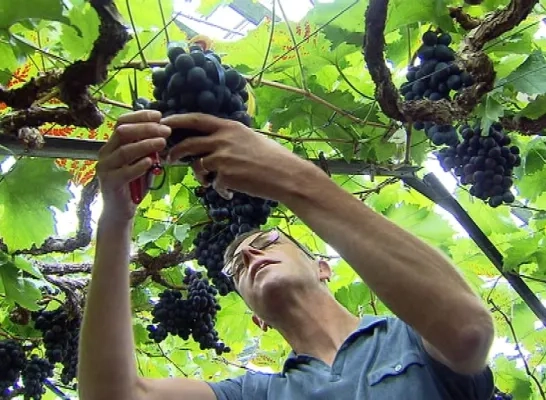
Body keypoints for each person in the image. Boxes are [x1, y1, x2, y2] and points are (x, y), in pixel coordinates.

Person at [78, 110, 495, 400]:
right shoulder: (257, 394)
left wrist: (291, 179)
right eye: (237, 267)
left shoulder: (411, 337)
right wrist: (115, 219)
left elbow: (467, 330)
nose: (251, 258)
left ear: (323, 267)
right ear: (256, 318)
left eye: (266, 243)